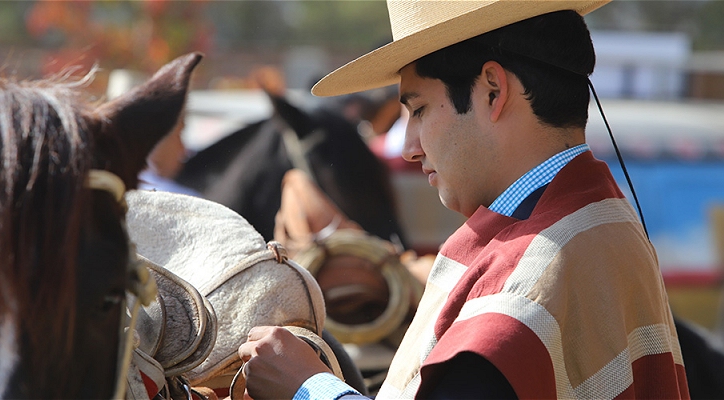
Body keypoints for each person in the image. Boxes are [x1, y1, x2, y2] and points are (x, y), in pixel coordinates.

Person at [238, 1, 690, 399]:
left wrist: (307, 387)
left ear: (493, 90)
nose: (408, 147)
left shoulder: (522, 284)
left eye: (417, 110)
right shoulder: (606, 221)